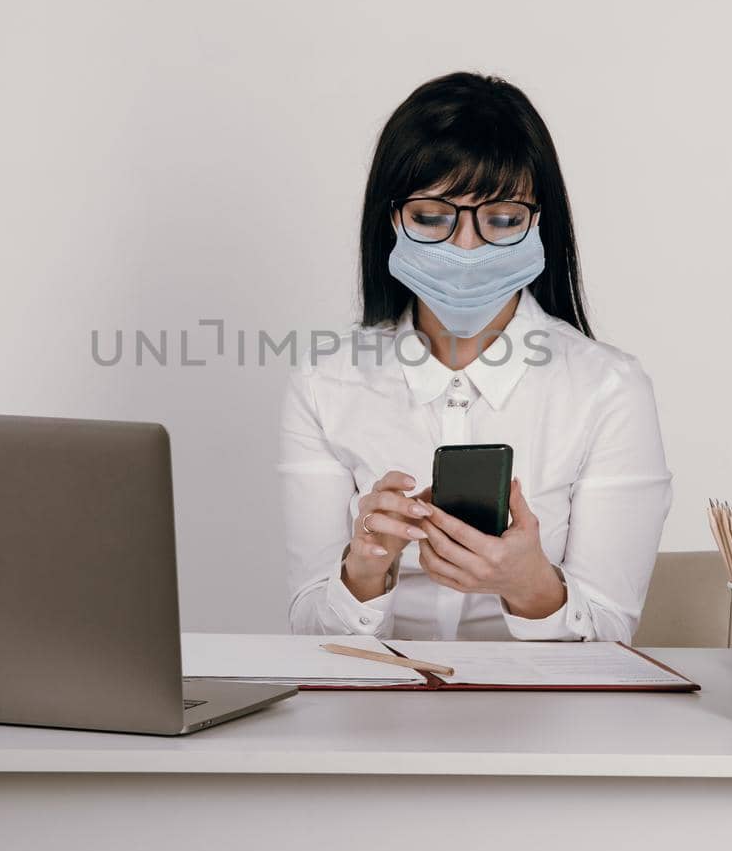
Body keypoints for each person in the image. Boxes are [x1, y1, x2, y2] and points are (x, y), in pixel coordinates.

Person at [281, 72, 672, 641]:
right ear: (392, 218)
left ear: (539, 222)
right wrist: (362, 573)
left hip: (545, 721)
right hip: (376, 718)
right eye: (432, 217)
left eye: (503, 220)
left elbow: (612, 633)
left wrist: (530, 586)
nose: (467, 247)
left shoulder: (608, 389)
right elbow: (305, 631)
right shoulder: (324, 384)